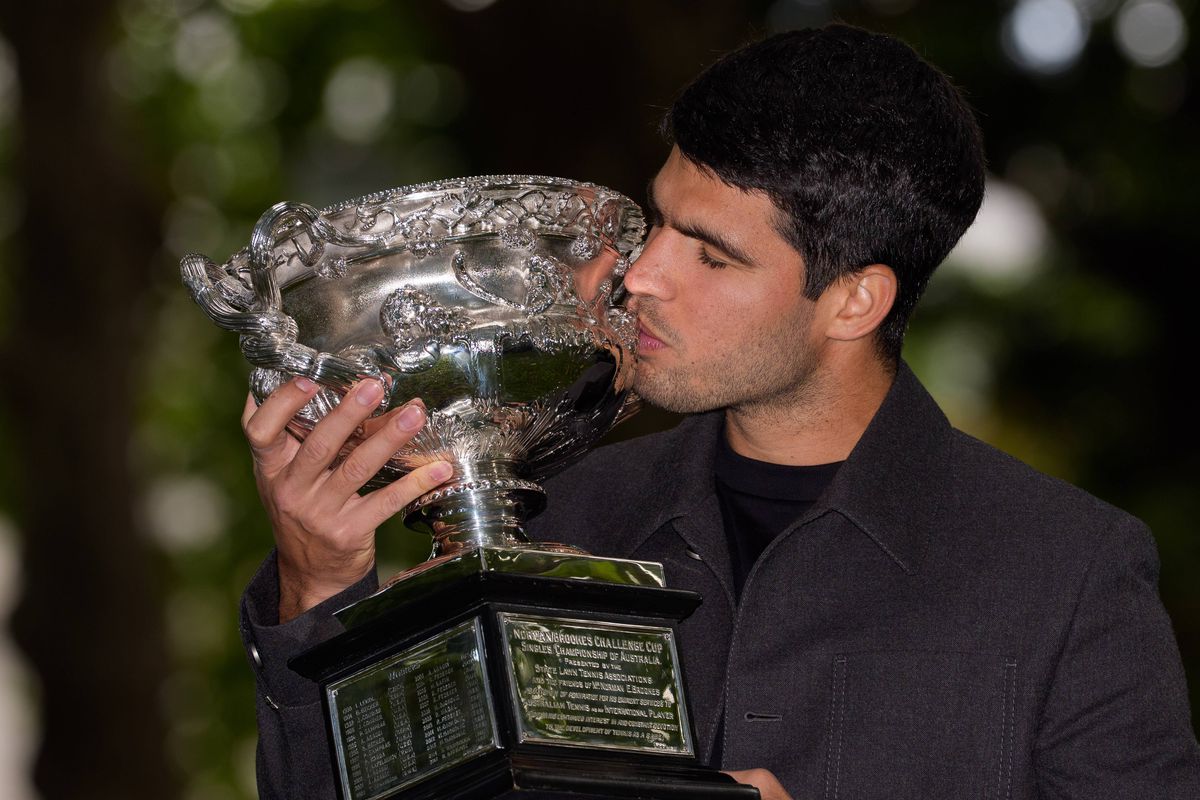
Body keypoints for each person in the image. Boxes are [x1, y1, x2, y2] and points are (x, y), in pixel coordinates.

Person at [237, 24, 1200, 800]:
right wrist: (318, 596)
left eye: (712, 255)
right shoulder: (551, 514)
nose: (641, 275)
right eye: (656, 222)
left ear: (854, 301)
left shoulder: (1065, 573)